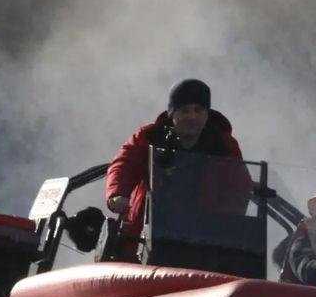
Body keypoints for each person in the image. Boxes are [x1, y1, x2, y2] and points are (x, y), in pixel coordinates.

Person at [105, 79, 250, 260]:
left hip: (202, 247)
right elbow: (124, 163)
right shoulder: (149, 136)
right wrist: (117, 194)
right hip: (143, 245)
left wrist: (223, 222)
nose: (192, 117)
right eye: (185, 111)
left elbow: (239, 186)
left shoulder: (224, 145)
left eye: (199, 110)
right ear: (172, 114)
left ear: (207, 114)